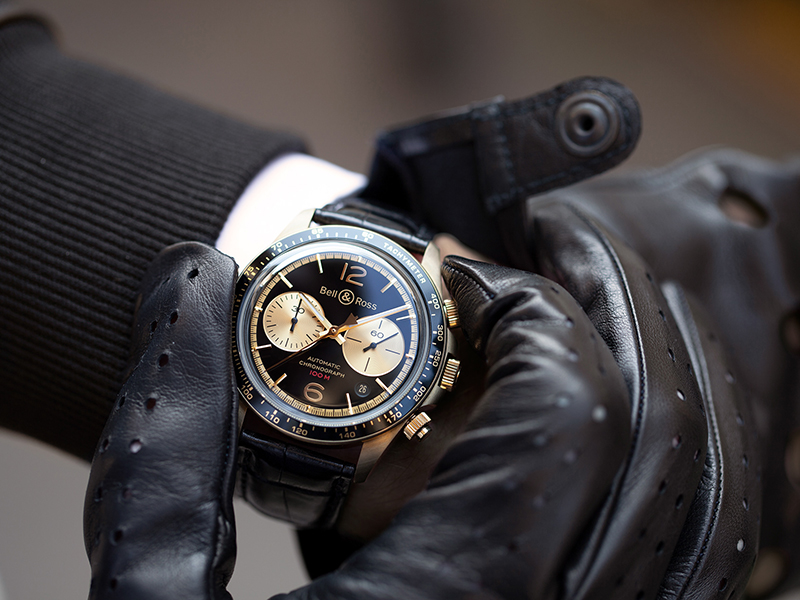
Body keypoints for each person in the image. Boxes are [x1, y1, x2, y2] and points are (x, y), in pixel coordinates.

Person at [2, 7, 800, 600]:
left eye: (361, 338)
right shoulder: (369, 304)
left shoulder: (415, 349)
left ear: (427, 384)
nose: (332, 332)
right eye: (313, 321)